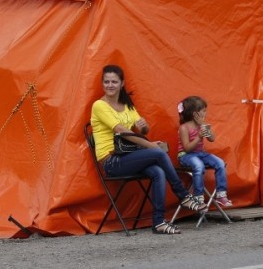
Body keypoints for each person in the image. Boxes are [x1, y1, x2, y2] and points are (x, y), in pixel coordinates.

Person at [90, 64, 206, 235]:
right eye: (106, 81)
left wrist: (143, 128)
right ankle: (183, 196)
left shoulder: (126, 105)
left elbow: (142, 131)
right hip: (112, 161)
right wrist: (151, 146)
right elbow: (122, 131)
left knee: (158, 172)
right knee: (158, 153)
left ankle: (159, 222)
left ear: (122, 83)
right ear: (102, 83)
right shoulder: (99, 105)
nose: (110, 85)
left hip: (128, 155)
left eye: (114, 81)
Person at [177, 96, 232, 207]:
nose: (205, 113)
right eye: (204, 111)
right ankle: (198, 197)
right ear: (195, 114)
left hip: (200, 154)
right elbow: (187, 148)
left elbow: (212, 139)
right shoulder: (184, 127)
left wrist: (204, 125)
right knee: (199, 166)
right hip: (186, 155)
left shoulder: (202, 126)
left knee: (220, 163)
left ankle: (221, 195)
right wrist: (198, 137)